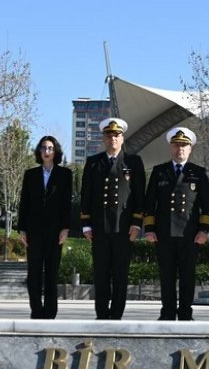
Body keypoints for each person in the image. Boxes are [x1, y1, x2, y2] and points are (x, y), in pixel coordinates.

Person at [143, 127, 209, 321]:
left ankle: (185, 313)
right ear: (170, 148)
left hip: (190, 235)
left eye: (184, 145)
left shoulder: (198, 173)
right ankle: (166, 313)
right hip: (164, 234)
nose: (180, 149)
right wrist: (149, 229)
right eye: (176, 145)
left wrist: (203, 230)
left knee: (187, 276)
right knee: (166, 276)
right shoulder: (159, 172)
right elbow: (149, 203)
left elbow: (207, 205)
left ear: (190, 149)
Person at [80, 118, 145, 320]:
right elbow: (86, 195)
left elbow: (139, 196)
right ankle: (101, 314)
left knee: (120, 273)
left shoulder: (133, 162)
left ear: (122, 138)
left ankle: (116, 315)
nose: (113, 139)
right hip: (99, 227)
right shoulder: (93, 162)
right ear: (104, 139)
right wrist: (85, 224)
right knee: (101, 273)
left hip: (123, 227)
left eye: (116, 135)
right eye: (109, 135)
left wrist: (136, 223)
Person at [17, 136, 73, 319]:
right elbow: (24, 203)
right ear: (39, 151)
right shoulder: (30, 174)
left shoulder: (65, 174)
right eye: (43, 148)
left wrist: (66, 228)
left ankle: (50, 311)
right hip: (34, 231)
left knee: (51, 272)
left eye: (50, 148)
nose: (46, 151)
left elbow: (67, 204)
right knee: (33, 272)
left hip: (55, 231)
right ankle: (36, 309)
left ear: (55, 151)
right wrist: (22, 229)